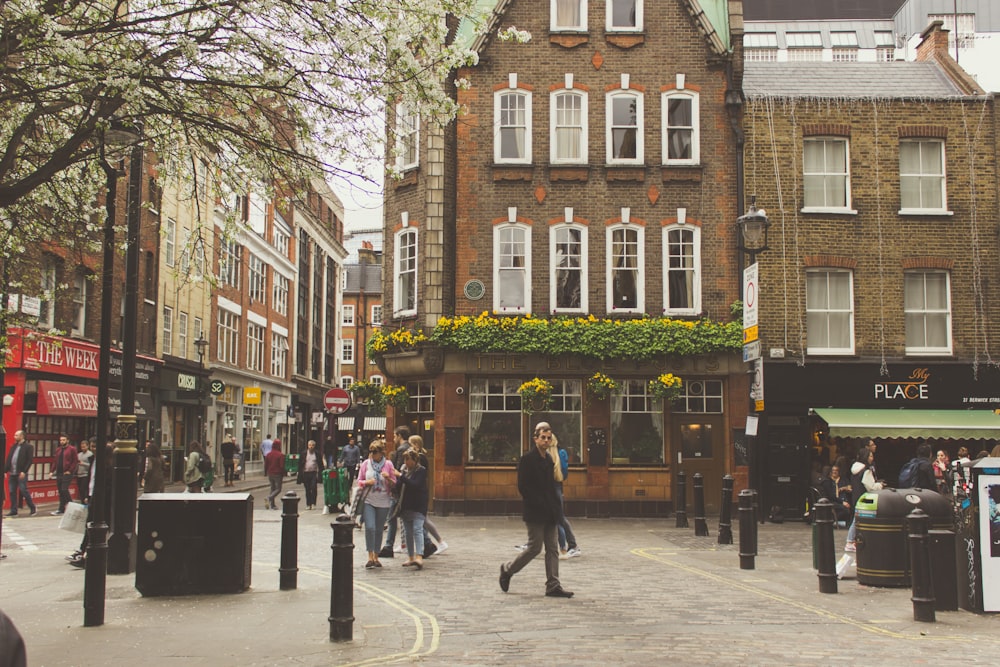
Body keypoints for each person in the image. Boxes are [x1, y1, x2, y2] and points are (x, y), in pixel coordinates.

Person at [499, 423, 573, 598]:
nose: (546, 440)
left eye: (548, 438)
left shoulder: (548, 459)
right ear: (536, 439)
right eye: (543, 437)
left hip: (550, 511)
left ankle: (553, 585)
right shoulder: (527, 459)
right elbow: (523, 487)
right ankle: (508, 570)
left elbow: (551, 487)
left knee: (553, 548)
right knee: (534, 548)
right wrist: (539, 503)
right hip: (535, 511)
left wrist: (556, 508)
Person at [359, 441, 397, 569]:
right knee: (370, 527)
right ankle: (370, 556)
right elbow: (359, 481)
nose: (372, 454)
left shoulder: (388, 464)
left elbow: (394, 484)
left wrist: (388, 478)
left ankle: (376, 556)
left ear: (381, 452)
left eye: (374, 452)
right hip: (368, 500)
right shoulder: (366, 464)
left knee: (379, 530)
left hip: (384, 501)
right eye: (370, 451)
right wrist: (367, 482)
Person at [408, 434, 448, 554]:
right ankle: (430, 543)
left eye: (410, 444)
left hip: (420, 493)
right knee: (422, 520)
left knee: (423, 520)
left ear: (416, 445)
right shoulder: (421, 456)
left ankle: (439, 542)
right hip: (420, 492)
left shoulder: (420, 458)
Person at [379, 425, 411, 558]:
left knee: (391, 517)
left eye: (395, 435)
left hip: (398, 489)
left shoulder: (401, 450)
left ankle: (388, 546)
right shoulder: (409, 447)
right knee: (407, 518)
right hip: (406, 488)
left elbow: (396, 471)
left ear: (399, 436)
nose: (393, 438)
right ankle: (424, 544)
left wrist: (393, 487)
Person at [549, 432, 581, 559]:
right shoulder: (560, 453)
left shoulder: (549, 455)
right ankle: (531, 544)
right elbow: (565, 473)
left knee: (558, 518)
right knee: (557, 517)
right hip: (557, 486)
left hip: (552, 487)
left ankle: (569, 546)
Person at [395, 448, 428, 569]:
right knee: (408, 533)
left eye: (408, 459)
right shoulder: (403, 470)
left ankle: (419, 556)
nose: (406, 462)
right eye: (405, 459)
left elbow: (415, 485)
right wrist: (392, 480)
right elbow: (398, 487)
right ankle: (410, 557)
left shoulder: (421, 471)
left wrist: (401, 477)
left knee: (417, 529)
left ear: (415, 460)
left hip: (418, 505)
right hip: (406, 506)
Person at [845, 445, 882, 552]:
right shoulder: (866, 470)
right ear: (865, 457)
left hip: (856, 497)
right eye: (870, 456)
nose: (872, 458)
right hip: (865, 498)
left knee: (857, 519)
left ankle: (853, 541)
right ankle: (850, 541)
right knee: (857, 520)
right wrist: (879, 485)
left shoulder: (855, 469)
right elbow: (870, 487)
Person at [4, 430, 37, 517]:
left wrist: (24, 471)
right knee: (12, 492)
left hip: (21, 473)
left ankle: (32, 508)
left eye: (16, 435)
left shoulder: (28, 447)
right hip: (12, 473)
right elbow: (9, 459)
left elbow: (29, 460)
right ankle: (13, 510)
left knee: (23, 490)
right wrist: (5, 471)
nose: (15, 437)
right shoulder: (14, 446)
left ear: (22, 436)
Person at [49, 434, 78, 514]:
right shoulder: (58, 449)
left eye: (63, 440)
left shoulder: (72, 449)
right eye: (61, 440)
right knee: (60, 491)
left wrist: (70, 470)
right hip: (59, 472)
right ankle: (61, 509)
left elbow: (75, 461)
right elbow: (55, 461)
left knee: (64, 489)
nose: (62, 442)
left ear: (67, 440)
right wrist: (51, 471)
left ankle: (72, 506)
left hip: (67, 472)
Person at [298, 439, 324, 510]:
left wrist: (321, 473)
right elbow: (300, 464)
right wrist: (299, 473)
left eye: (312, 445)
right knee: (307, 489)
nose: (311, 447)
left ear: (314, 446)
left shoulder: (317, 453)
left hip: (314, 473)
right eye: (309, 445)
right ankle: (308, 504)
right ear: (307, 446)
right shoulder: (303, 453)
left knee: (313, 488)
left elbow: (320, 464)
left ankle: (313, 503)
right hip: (305, 473)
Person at [264, 439, 285, 509]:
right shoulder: (280, 455)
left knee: (272, 488)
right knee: (278, 489)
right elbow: (282, 466)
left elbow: (266, 464)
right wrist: (283, 473)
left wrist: (265, 472)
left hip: (270, 473)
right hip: (278, 473)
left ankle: (272, 505)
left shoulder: (268, 454)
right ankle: (269, 498)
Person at [75, 439, 93, 504]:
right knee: (80, 490)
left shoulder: (90, 454)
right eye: (81, 447)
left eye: (84, 447)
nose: (83, 448)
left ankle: (85, 502)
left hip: (85, 474)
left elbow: (91, 465)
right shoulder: (79, 454)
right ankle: (82, 502)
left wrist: (83, 463)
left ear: (87, 446)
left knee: (84, 489)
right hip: (79, 474)